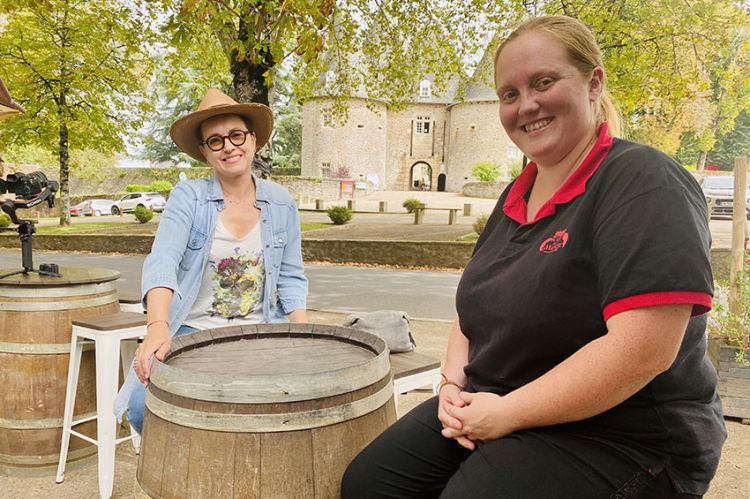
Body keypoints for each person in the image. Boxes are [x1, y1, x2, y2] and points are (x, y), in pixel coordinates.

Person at [342, 15, 725, 498]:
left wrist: (506, 414)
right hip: (496, 400)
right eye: (509, 94)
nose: (527, 105)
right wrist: (451, 385)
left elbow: (643, 351)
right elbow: (473, 305)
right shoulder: (515, 195)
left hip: (622, 435)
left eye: (544, 82)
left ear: (593, 83)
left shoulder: (644, 182)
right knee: (370, 484)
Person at [114, 88, 308, 433]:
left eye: (236, 135)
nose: (229, 147)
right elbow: (163, 260)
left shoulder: (282, 203)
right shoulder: (188, 197)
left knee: (279, 407)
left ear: (254, 140)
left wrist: (304, 332)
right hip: (192, 330)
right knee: (144, 409)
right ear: (205, 153)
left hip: (261, 331)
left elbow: (291, 276)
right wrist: (157, 327)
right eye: (215, 141)